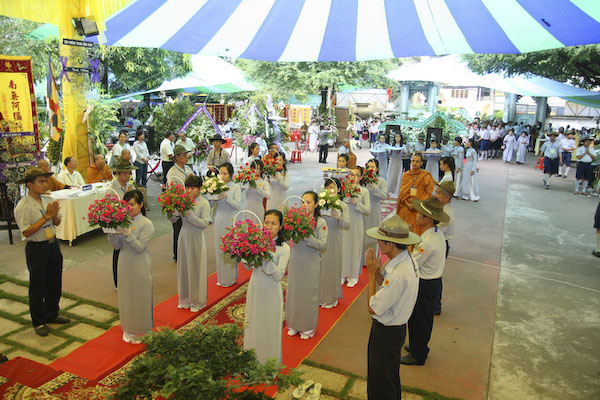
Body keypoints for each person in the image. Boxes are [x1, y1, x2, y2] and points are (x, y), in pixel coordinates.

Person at [365, 215, 420, 400]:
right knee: (389, 378)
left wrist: (371, 275)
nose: (378, 243)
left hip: (386, 333)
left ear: (391, 244)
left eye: (381, 240)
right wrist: (377, 273)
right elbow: (389, 291)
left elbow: (373, 308)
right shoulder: (404, 260)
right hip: (396, 330)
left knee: (380, 383)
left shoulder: (398, 273)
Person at [14, 168, 71, 337]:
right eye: (41, 181)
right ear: (30, 185)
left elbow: (57, 222)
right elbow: (26, 231)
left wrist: (53, 216)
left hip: (52, 244)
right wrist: (46, 216)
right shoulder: (23, 206)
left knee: (54, 281)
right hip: (36, 248)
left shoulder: (48, 199)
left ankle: (52, 313)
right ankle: (38, 321)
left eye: (45, 181)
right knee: (38, 286)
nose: (45, 184)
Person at [401, 198, 448, 366]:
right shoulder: (435, 234)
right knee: (422, 318)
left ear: (428, 219)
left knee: (419, 319)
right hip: (432, 282)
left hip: (425, 284)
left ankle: (418, 353)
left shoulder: (427, 242)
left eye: (420, 214)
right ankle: (417, 345)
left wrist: (405, 244)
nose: (417, 216)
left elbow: (412, 262)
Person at [107, 190, 154, 344]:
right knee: (126, 297)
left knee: (140, 296)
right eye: (126, 205)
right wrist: (112, 234)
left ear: (141, 204)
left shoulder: (147, 224)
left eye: (132, 204)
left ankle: (143, 329)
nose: (129, 208)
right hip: (124, 263)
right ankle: (127, 328)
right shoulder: (123, 221)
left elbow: (140, 248)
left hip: (139, 264)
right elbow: (117, 247)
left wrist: (128, 234)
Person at [244, 209, 290, 363]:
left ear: (281, 226)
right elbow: (247, 266)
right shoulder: (256, 241)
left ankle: (268, 364)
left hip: (271, 291)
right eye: (267, 223)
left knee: (269, 327)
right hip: (256, 287)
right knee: (253, 324)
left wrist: (265, 261)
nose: (269, 227)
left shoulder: (284, 248)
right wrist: (245, 253)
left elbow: (278, 276)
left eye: (273, 224)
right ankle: (252, 362)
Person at [286, 191, 328, 339]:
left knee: (308, 295)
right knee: (294, 292)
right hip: (296, 260)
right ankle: (293, 324)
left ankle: (308, 327)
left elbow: (323, 245)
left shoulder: (320, 223)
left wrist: (308, 238)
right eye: (303, 202)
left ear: (316, 204)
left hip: (310, 263)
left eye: (309, 202)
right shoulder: (296, 219)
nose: (305, 205)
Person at [175, 176, 210, 311]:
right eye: (187, 188)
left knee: (195, 268)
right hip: (184, 236)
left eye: (193, 188)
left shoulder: (204, 203)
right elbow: (173, 220)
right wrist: (174, 213)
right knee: (184, 267)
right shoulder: (183, 201)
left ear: (200, 189)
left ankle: (197, 300)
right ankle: (184, 298)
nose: (189, 191)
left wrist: (189, 215)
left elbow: (204, 224)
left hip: (196, 238)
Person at [319, 178, 350, 309]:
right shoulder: (321, 203)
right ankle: (320, 296)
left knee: (332, 267)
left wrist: (339, 217)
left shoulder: (342, 205)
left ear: (338, 189)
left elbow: (347, 224)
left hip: (334, 239)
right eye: (328, 187)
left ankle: (331, 297)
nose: (330, 190)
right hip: (321, 239)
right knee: (320, 268)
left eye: (333, 187)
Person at [108, 159, 136, 288]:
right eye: (125, 173)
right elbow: (113, 211)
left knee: (131, 251)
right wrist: (127, 195)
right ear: (118, 173)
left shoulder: (130, 186)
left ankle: (130, 277)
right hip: (118, 227)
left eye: (129, 172)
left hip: (131, 223)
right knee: (118, 252)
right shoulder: (111, 190)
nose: (128, 175)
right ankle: (118, 282)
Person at [341, 166, 370, 287]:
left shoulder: (364, 191)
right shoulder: (344, 188)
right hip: (345, 221)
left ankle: (353, 275)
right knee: (344, 247)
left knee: (355, 247)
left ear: (361, 177)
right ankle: (343, 274)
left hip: (357, 222)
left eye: (357, 175)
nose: (354, 177)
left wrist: (357, 203)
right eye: (352, 174)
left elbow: (367, 210)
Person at [213, 163, 241, 286]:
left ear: (230, 174)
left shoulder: (235, 187)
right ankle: (221, 278)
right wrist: (212, 196)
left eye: (225, 173)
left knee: (229, 247)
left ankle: (230, 277)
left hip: (230, 219)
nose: (222, 176)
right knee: (219, 247)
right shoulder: (216, 186)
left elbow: (237, 205)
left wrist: (226, 197)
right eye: (221, 173)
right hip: (219, 218)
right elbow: (211, 204)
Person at [166, 145, 195, 261]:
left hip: (189, 203)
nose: (186, 157)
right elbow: (172, 190)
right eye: (183, 155)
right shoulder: (172, 173)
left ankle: (187, 252)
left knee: (188, 229)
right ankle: (178, 254)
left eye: (186, 154)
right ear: (176, 157)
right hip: (179, 204)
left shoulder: (188, 169)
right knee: (178, 229)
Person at [396, 153, 434, 235]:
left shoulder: (426, 176)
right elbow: (402, 194)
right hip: (407, 206)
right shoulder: (406, 175)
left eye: (417, 161)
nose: (414, 163)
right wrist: (407, 204)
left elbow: (428, 194)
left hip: (419, 207)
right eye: (413, 161)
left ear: (421, 163)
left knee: (416, 230)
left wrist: (417, 205)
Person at [434, 181, 455, 315]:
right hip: (439, 241)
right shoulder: (441, 208)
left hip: (442, 243)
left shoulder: (447, 214)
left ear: (447, 197)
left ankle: (436, 305)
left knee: (435, 276)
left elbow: (437, 230)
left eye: (438, 193)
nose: (435, 195)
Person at [363, 159, 387, 264]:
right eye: (368, 167)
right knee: (363, 234)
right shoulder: (363, 180)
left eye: (372, 167)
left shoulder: (381, 180)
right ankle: (362, 259)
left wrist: (375, 189)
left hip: (374, 209)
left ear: (377, 169)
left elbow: (384, 196)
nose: (370, 169)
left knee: (373, 233)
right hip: (363, 210)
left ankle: (372, 258)